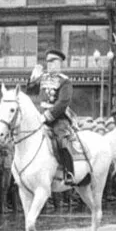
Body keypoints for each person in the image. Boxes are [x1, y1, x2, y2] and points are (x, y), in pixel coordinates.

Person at [28, 49, 79, 185]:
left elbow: (63, 102)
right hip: (41, 117)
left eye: (53, 62)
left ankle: (69, 173)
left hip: (58, 119)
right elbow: (31, 92)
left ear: (60, 63)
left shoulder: (64, 81)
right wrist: (33, 78)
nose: (49, 65)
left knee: (61, 142)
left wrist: (47, 116)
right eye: (48, 62)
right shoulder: (43, 77)